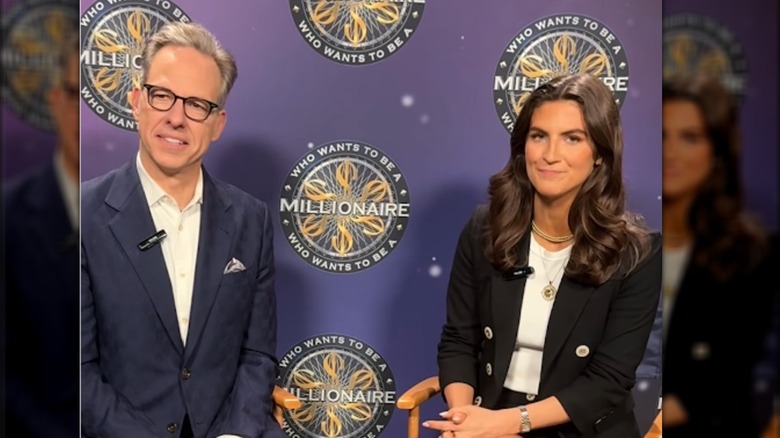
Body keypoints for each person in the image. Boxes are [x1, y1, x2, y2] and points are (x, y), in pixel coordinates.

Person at [424, 74, 661, 437]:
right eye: (539, 136)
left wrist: (506, 424)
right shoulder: (484, 230)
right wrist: (464, 419)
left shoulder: (636, 255)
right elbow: (459, 340)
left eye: (572, 138)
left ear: (599, 154)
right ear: (523, 147)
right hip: (489, 419)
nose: (550, 155)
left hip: (580, 428)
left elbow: (607, 381)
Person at [80, 22, 284, 438]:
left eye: (197, 105)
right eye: (162, 96)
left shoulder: (251, 219)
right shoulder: (82, 215)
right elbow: (76, 370)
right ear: (137, 101)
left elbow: (257, 354)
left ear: (218, 123)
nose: (176, 118)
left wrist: (236, 433)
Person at [660, 75, 776, 437]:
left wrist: (643, 423)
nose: (670, 152)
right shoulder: (617, 242)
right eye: (661, 135)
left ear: (717, 152)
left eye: (690, 137)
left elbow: (724, 380)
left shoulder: (750, 253)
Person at [3, 29, 80, 437]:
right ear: (55, 100)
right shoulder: (9, 217)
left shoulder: (157, 216)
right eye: (75, 95)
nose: (85, 115)